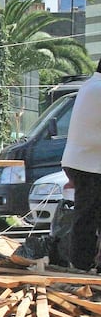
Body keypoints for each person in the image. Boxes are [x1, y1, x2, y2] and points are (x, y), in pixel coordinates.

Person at [61, 57, 101, 271]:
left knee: (88, 215)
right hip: (90, 164)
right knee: (86, 217)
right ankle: (80, 266)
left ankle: (83, 264)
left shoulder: (91, 85)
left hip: (84, 161)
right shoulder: (98, 88)